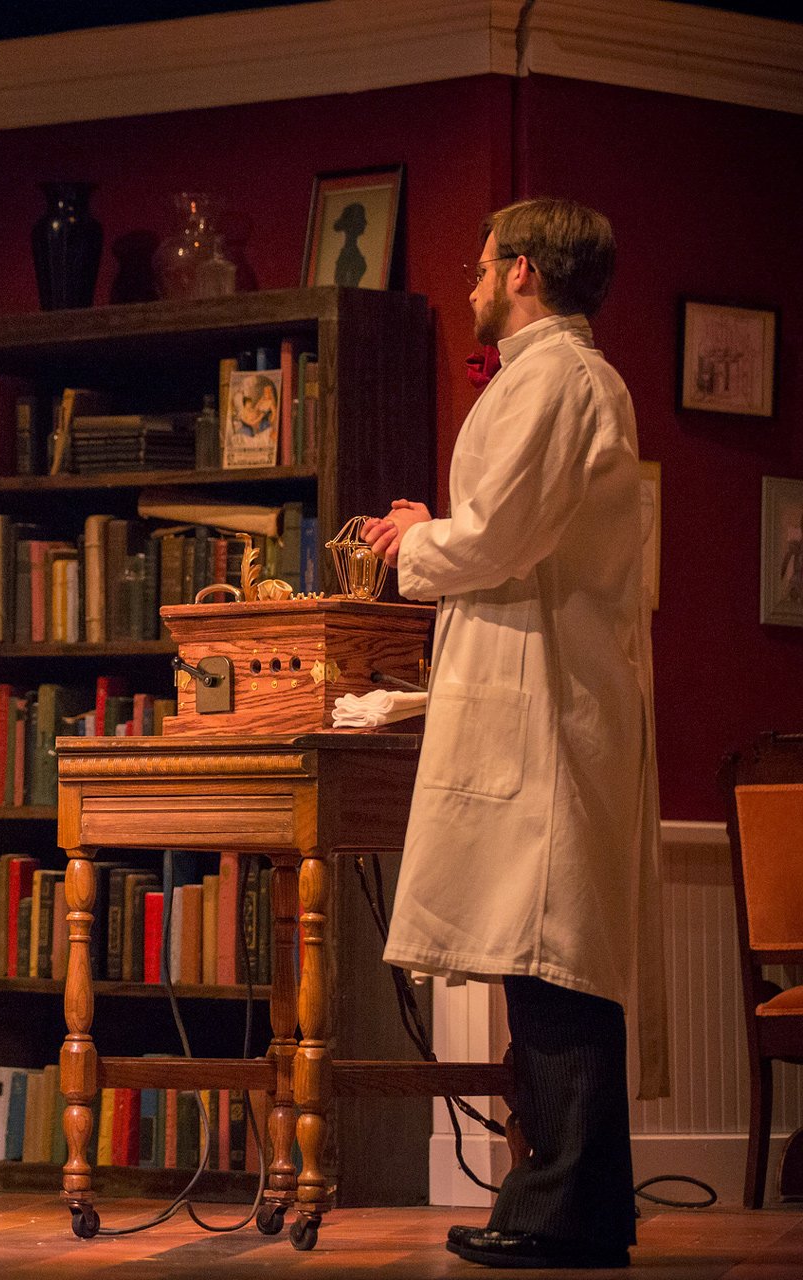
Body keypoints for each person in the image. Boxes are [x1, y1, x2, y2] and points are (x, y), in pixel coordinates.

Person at [364, 198, 664, 1271]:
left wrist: (414, 540)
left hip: (545, 697)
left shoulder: (554, 379)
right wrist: (440, 533)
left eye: (483, 261)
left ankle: (557, 1211)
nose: (472, 276)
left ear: (524, 269)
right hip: (535, 687)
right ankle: (584, 1205)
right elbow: (505, 529)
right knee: (546, 956)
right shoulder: (558, 377)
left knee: (554, 959)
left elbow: (496, 537)